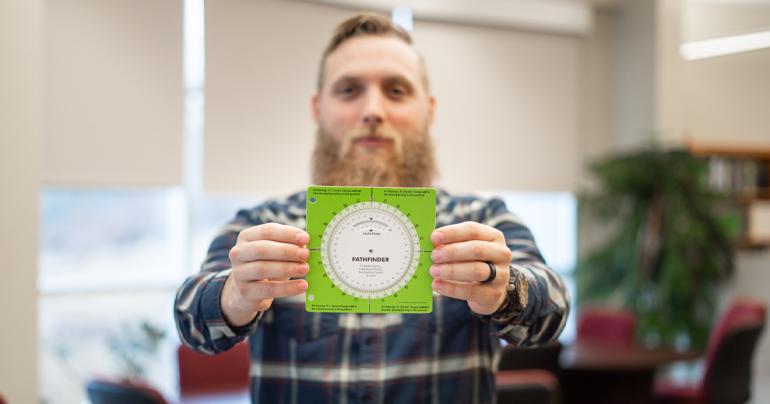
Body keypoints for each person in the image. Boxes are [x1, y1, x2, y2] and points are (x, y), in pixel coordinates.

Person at [175, 12, 569, 404]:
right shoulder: (263, 227)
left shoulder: (481, 220)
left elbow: (552, 311)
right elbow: (191, 320)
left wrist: (505, 289)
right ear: (317, 109)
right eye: (349, 90)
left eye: (396, 90)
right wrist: (235, 295)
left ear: (428, 111)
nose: (372, 111)